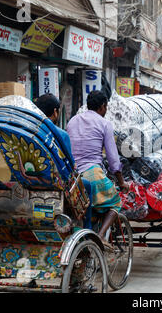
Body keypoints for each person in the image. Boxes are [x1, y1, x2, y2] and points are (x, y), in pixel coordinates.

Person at [67, 88, 129, 249]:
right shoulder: (104, 124)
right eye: (106, 107)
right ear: (102, 106)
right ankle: (100, 236)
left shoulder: (72, 120)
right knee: (115, 201)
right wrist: (122, 182)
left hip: (72, 176)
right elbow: (113, 159)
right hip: (92, 174)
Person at [34, 93, 94, 229]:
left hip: (30, 181)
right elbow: (71, 167)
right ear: (55, 112)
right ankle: (87, 228)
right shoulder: (60, 134)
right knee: (87, 185)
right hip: (55, 184)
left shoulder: (29, 131)